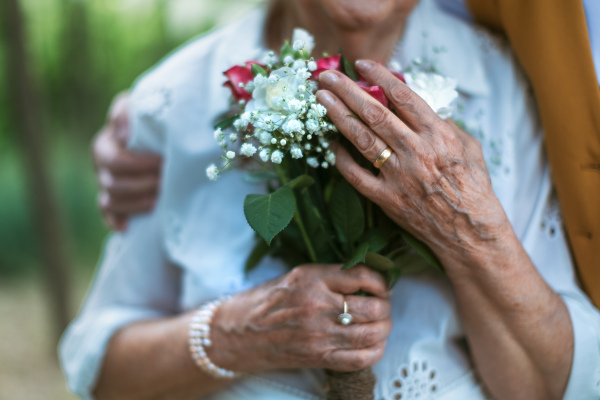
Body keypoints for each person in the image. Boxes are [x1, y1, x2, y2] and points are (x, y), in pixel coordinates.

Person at [62, 0, 600, 399]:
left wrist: (463, 227)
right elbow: (99, 367)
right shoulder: (176, 97)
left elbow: (554, 384)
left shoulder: (503, 86)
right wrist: (235, 334)